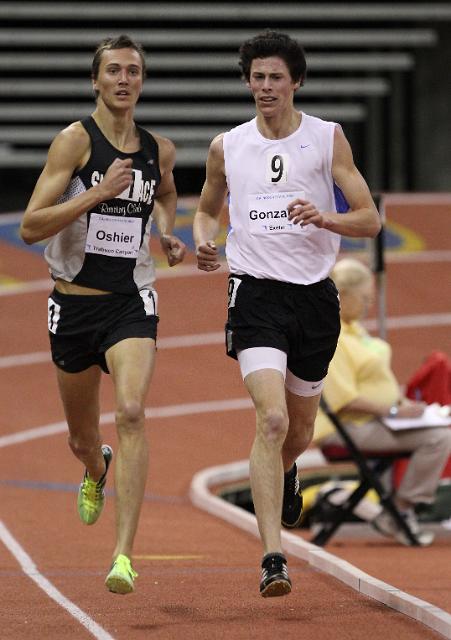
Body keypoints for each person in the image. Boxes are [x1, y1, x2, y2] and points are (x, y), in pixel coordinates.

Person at [193, 30, 381, 597]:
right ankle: (274, 556)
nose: (266, 87)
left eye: (276, 77)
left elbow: (370, 219)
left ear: (295, 82)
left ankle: (288, 468)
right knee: (271, 420)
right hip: (254, 294)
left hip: (315, 297)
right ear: (247, 81)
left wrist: (325, 218)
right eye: (257, 76)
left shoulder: (327, 140)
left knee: (298, 431)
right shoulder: (228, 145)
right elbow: (206, 210)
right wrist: (205, 242)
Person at [19, 34, 186, 594]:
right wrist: (96, 193)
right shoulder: (74, 142)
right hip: (72, 304)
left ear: (142, 80)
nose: (123, 79)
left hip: (130, 301)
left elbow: (165, 195)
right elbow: (30, 225)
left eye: (133, 71)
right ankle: (95, 468)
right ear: (95, 80)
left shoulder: (158, 148)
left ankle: (122, 556)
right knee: (81, 439)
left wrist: (166, 233)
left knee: (133, 410)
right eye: (113, 70)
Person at [314, 258, 451, 545]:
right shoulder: (334, 336)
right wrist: (393, 410)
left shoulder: (355, 330)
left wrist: (408, 409)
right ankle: (399, 510)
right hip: (349, 428)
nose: (368, 306)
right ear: (345, 296)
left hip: (377, 421)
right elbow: (344, 400)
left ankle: (397, 509)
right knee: (440, 438)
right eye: (364, 299)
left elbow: (376, 383)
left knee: (439, 428)